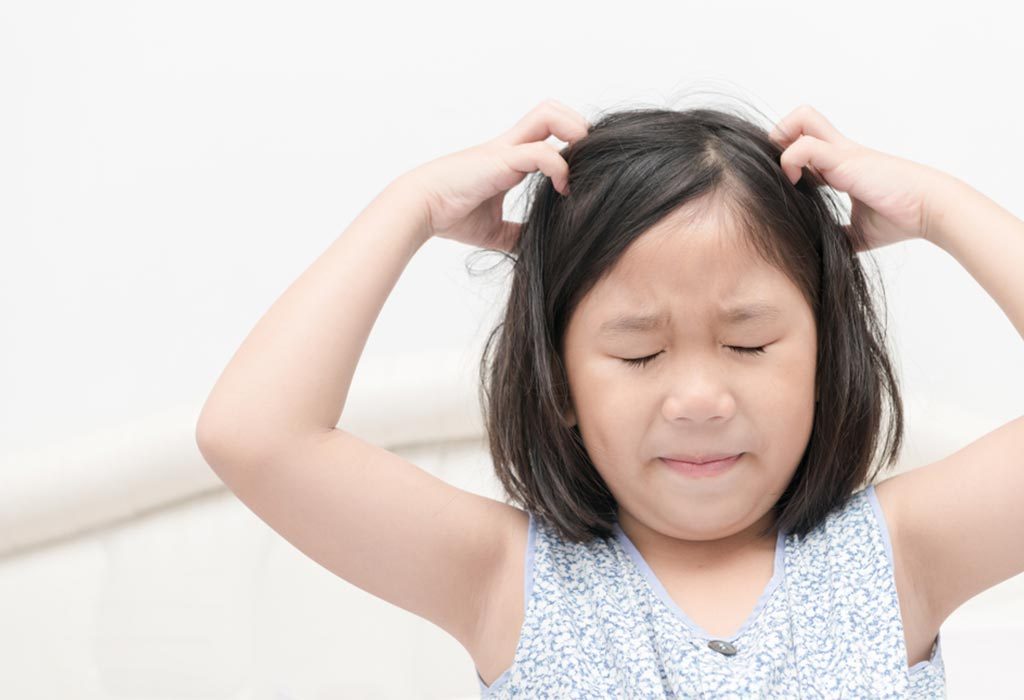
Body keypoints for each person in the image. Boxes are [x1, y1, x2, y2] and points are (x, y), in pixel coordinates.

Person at [196, 99, 1024, 698]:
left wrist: (940, 208)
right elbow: (255, 436)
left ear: (824, 360)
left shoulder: (898, 556)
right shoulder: (507, 581)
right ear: (558, 383)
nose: (698, 398)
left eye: (747, 344)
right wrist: (408, 206)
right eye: (638, 352)